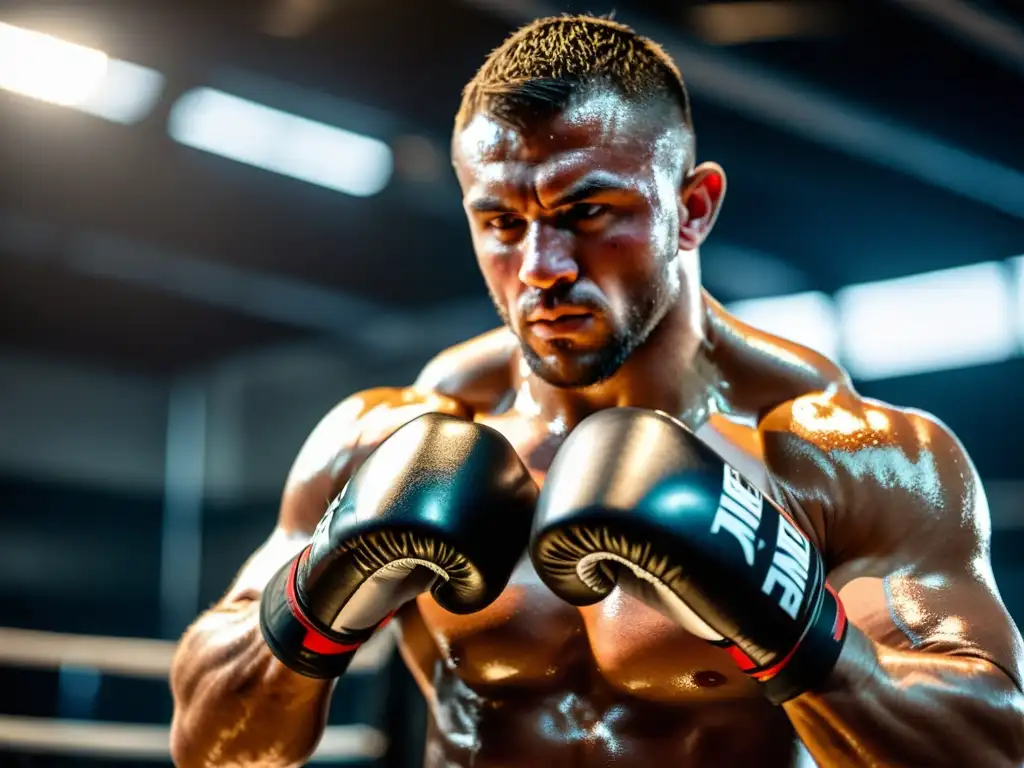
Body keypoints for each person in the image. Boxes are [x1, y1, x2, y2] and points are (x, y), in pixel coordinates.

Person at [169, 15, 1024, 768]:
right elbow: (215, 746)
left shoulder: (849, 455)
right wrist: (320, 587)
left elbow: (989, 750)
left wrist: (794, 624)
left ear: (692, 208)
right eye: (501, 222)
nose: (541, 270)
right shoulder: (394, 438)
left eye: (588, 212)